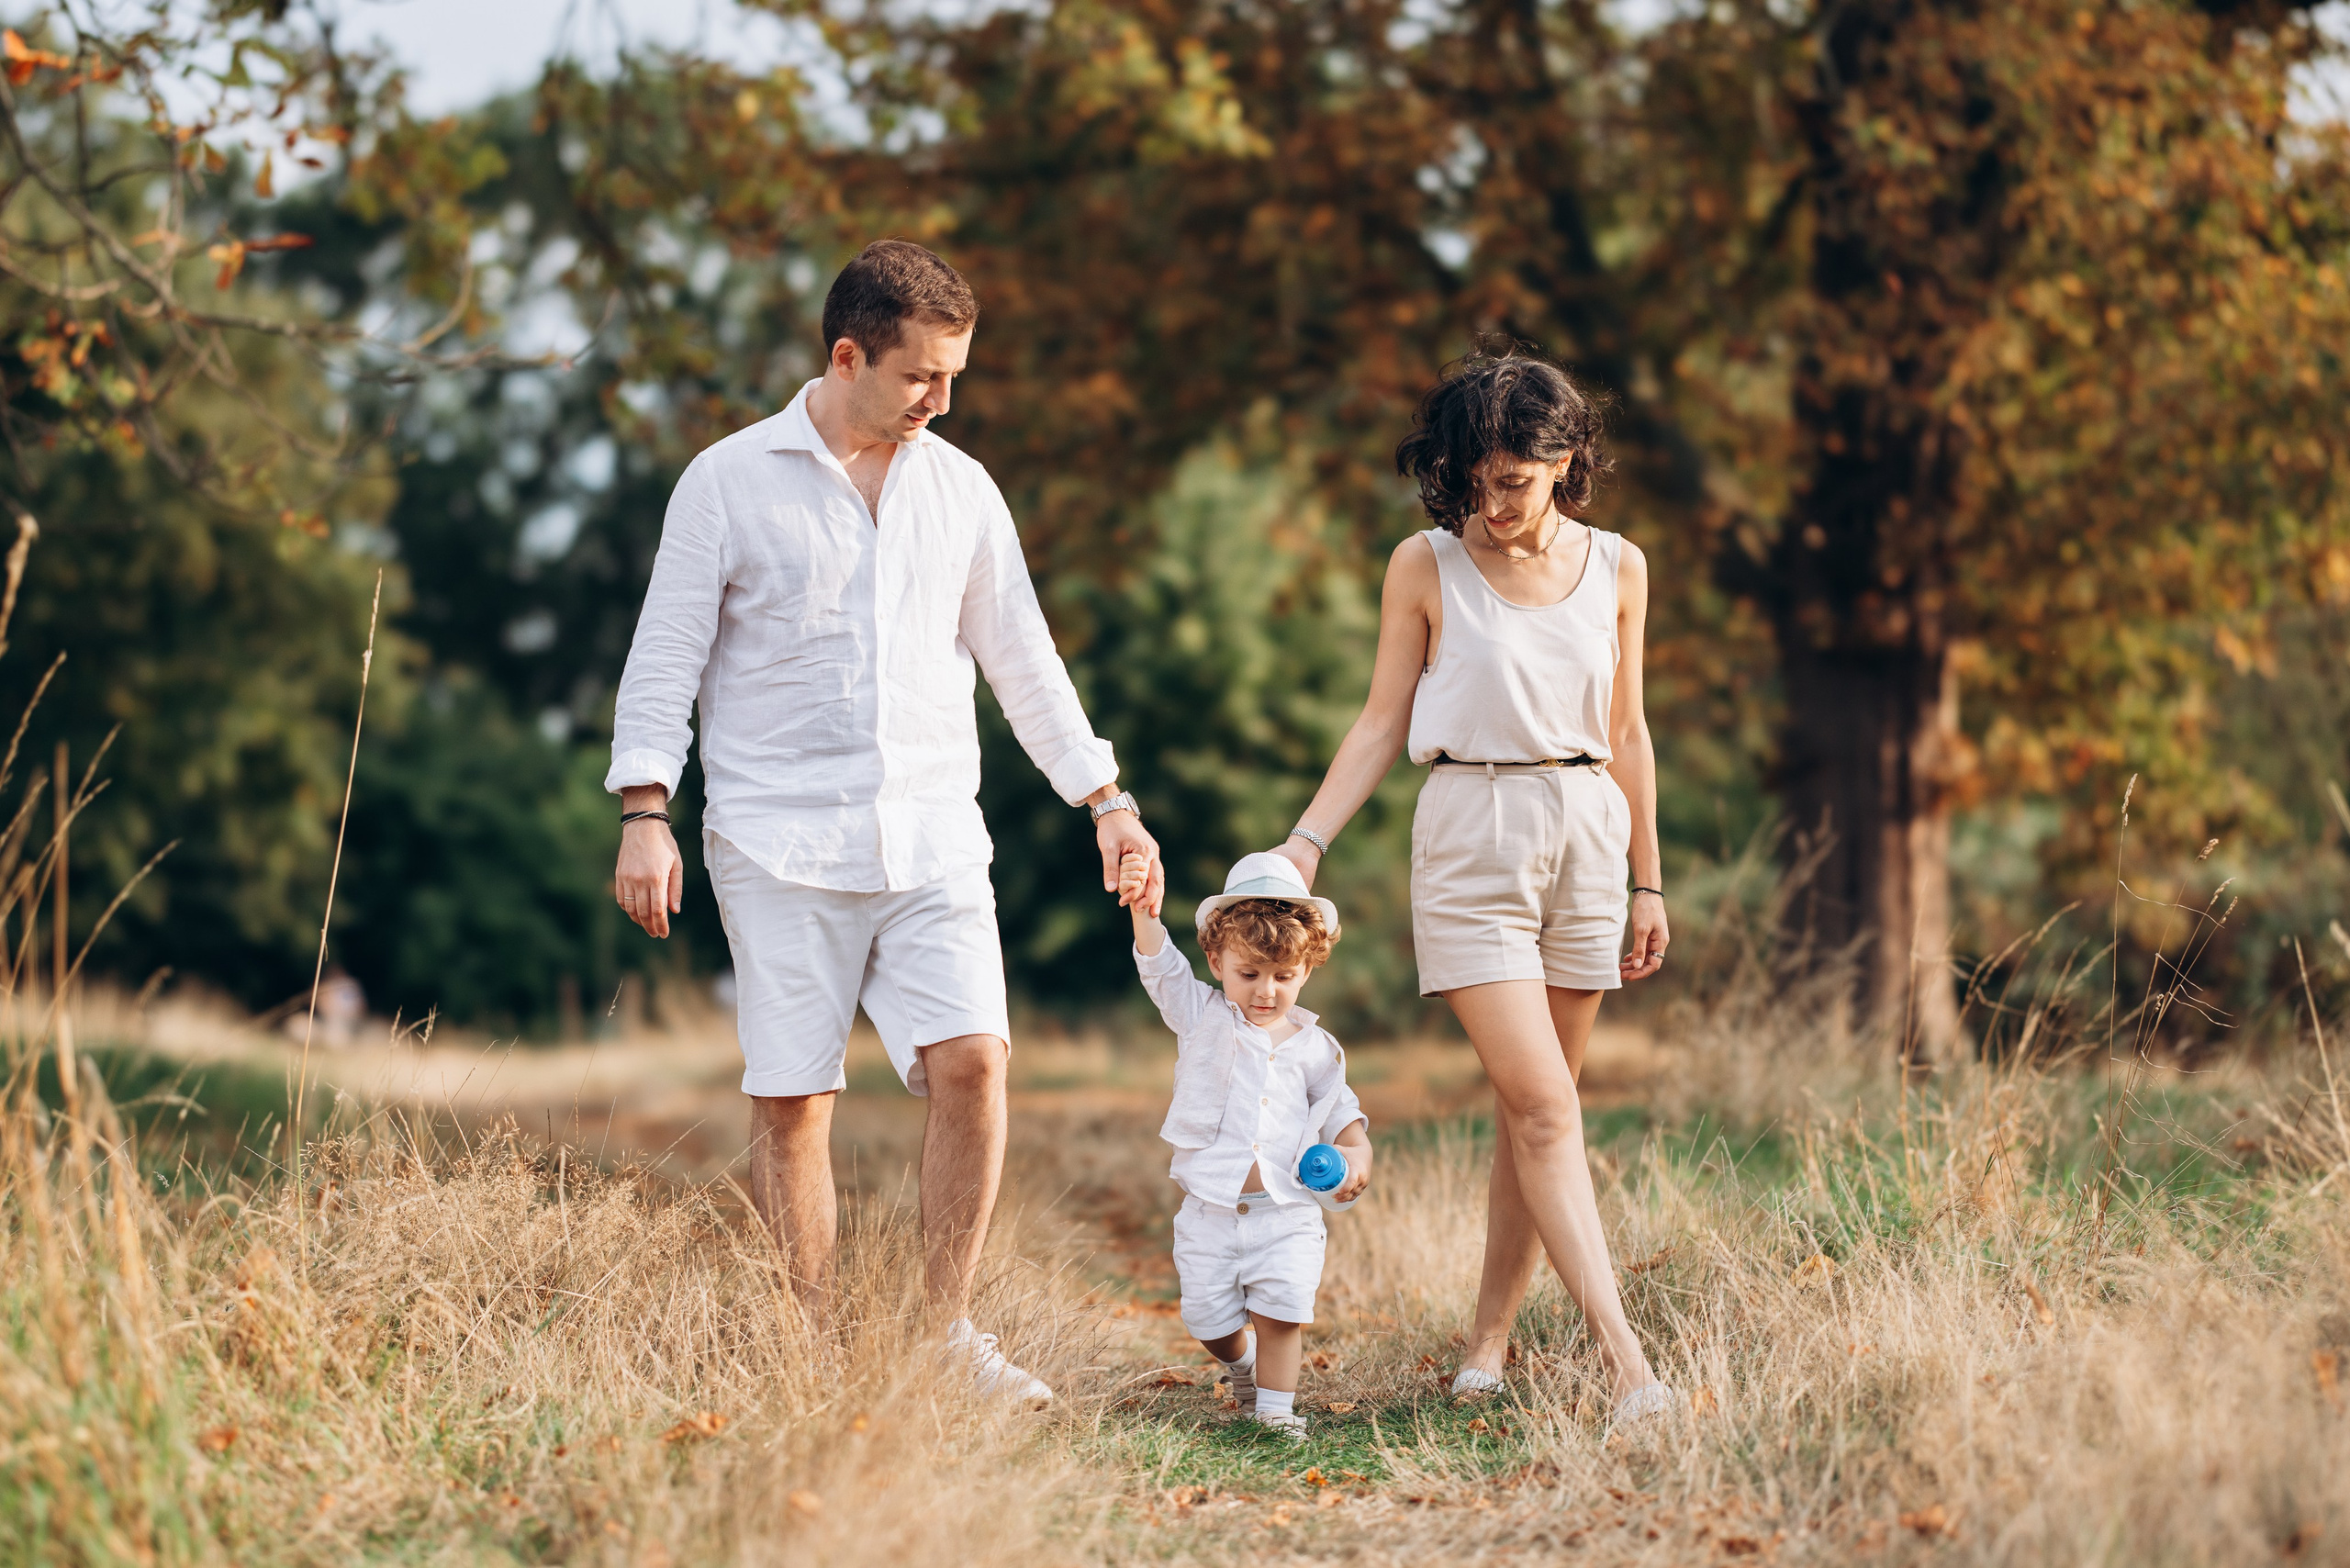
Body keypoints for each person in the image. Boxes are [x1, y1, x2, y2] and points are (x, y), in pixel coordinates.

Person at [606, 240, 1162, 1405]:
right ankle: (814, 1354)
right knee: (794, 1097)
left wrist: (1105, 799)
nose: (942, 401)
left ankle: (943, 1331)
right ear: (847, 354)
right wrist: (645, 810)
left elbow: (1025, 660)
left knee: (974, 1061)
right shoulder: (727, 480)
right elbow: (665, 658)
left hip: (932, 836)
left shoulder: (960, 490)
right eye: (920, 377)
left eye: (954, 376)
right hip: (775, 839)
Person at [1269, 349, 1675, 1429]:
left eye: (1515, 481)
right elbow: (1377, 722)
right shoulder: (1424, 564)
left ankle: (1487, 1344)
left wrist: (1649, 877)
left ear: (1565, 461)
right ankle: (1627, 1366)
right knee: (1547, 1107)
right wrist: (1305, 844)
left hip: (1589, 833)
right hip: (1470, 834)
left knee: (1530, 1114)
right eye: (1473, 481)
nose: (1492, 505)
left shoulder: (1621, 567)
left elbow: (1629, 731)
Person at [1125, 849, 1371, 1443]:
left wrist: (1356, 1156)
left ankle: (1276, 1413)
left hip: (1286, 1213)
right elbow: (1160, 967)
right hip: (1210, 1209)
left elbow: (1342, 1111)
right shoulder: (1201, 1016)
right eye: (1249, 974)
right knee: (1206, 1319)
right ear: (1217, 960)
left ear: (1306, 970)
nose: (1266, 991)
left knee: (1284, 1311)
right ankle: (1242, 1365)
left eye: (1283, 976)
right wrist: (1142, 908)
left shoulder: (1316, 1047)